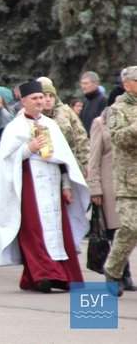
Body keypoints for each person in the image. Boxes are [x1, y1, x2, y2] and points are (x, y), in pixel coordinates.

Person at [0, 80, 89, 293]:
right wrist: (28, 149)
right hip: (29, 184)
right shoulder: (14, 127)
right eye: (35, 98)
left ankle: (61, 276)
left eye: (42, 97)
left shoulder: (51, 125)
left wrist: (67, 185)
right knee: (34, 230)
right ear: (23, 101)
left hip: (53, 183)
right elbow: (6, 161)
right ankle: (43, 275)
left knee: (57, 230)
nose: (40, 101)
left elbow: (65, 159)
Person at [88, 104, 133, 291]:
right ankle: (119, 275)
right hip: (109, 186)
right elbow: (94, 157)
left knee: (129, 230)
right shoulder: (101, 122)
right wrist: (95, 188)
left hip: (131, 183)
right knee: (117, 231)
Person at [103, 66, 137, 297]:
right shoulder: (117, 109)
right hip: (129, 181)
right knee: (130, 228)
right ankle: (113, 270)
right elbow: (117, 138)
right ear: (128, 84)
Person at [40, 82, 89, 171]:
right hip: (44, 166)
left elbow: (80, 137)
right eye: (44, 96)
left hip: (70, 163)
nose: (48, 99)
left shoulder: (65, 112)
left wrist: (86, 162)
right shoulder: (34, 116)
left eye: (51, 96)